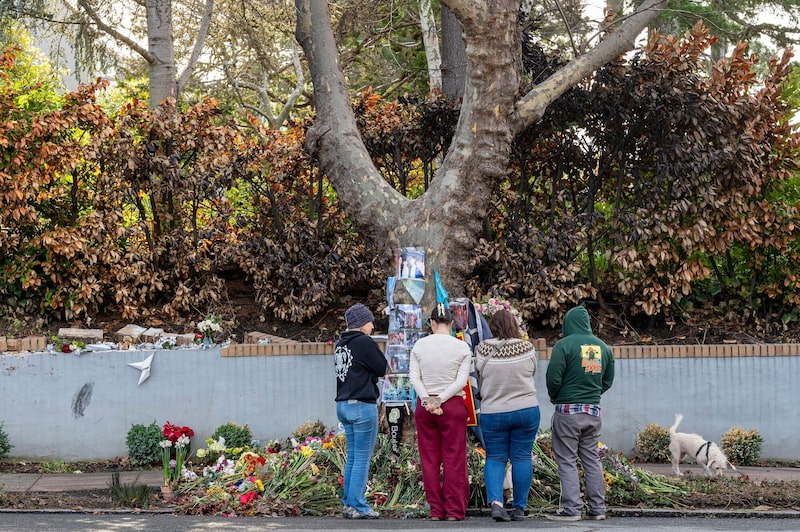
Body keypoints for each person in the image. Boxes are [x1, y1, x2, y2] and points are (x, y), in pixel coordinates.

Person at [545, 305, 615, 521]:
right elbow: (607, 381)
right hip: (593, 412)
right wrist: (593, 395)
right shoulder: (603, 347)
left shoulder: (564, 345)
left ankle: (572, 509)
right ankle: (598, 509)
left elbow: (553, 378)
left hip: (567, 411)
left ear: (568, 323)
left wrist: (556, 396)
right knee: (592, 459)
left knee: (566, 459)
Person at [474, 309, 540, 522]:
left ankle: (496, 504)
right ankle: (519, 508)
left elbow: (479, 375)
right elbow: (532, 372)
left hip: (493, 412)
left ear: (492, 326)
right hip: (526, 410)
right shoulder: (526, 347)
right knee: (521, 457)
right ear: (514, 325)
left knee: (495, 457)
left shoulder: (483, 348)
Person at [408, 304, 472, 521]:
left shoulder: (419, 346)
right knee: (454, 458)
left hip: (425, 406)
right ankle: (454, 510)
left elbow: (414, 378)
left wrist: (428, 401)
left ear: (432, 323)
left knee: (430, 459)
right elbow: (461, 382)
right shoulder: (462, 348)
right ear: (451, 324)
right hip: (451, 405)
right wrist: (440, 401)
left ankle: (436, 510)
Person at [334, 303, 388, 520]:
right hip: (362, 406)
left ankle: (348, 503)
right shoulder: (364, 342)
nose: (373, 326)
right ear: (361, 323)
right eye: (370, 321)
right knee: (362, 458)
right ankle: (358, 505)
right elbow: (382, 368)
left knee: (353, 457)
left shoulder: (341, 344)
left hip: (343, 405)